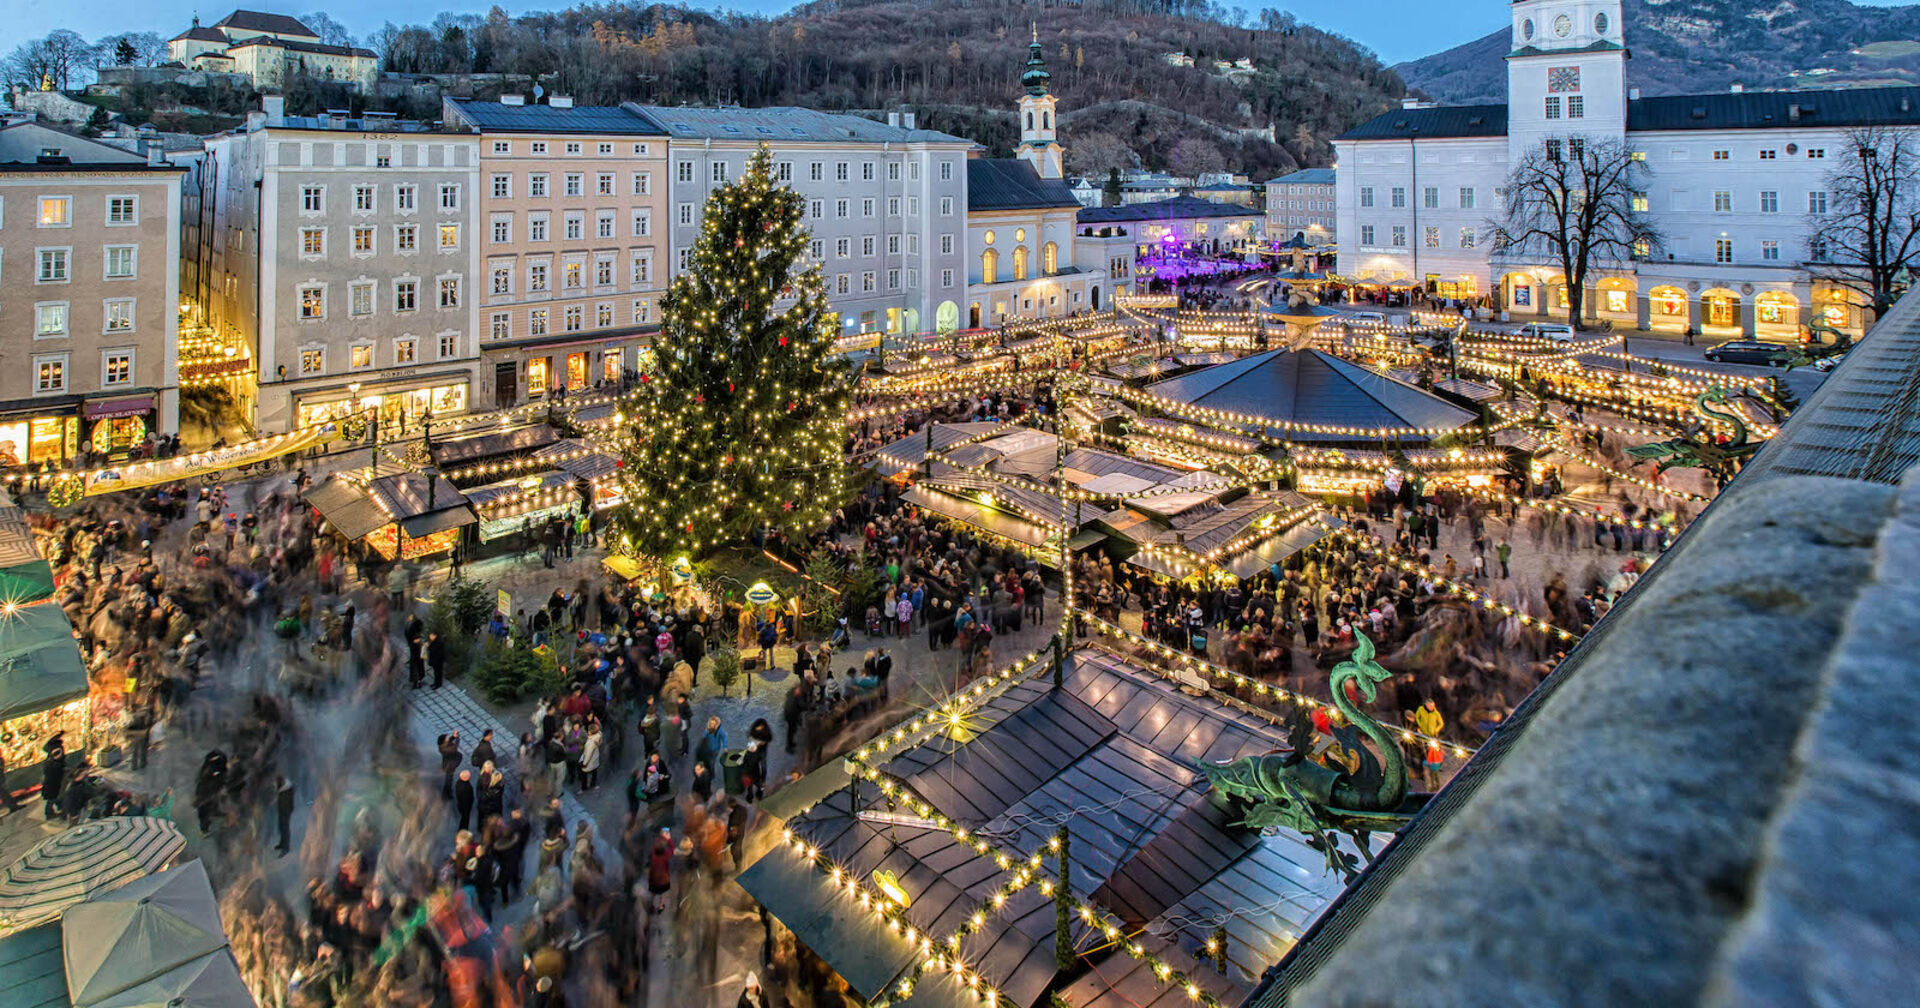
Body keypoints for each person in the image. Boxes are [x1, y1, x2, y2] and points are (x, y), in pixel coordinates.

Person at [646, 827, 674, 913]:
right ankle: (660, 906)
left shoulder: (653, 855)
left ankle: (651, 905)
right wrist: (668, 839)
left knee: (653, 892)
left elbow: (653, 849)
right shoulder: (665, 856)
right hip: (663, 880)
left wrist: (661, 837)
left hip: (654, 878)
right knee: (661, 893)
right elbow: (672, 849)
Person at [275, 774, 295, 856]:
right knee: (281, 827)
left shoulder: (286, 790)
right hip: (282, 811)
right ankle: (282, 843)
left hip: (285, 812)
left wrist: (286, 812)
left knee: (285, 829)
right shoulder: (285, 789)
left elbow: (287, 804)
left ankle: (286, 848)